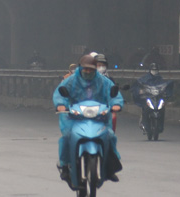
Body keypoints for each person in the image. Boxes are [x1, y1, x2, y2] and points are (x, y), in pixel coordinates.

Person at [53, 54, 123, 183]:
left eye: (91, 69)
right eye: (86, 69)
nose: (88, 72)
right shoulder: (71, 80)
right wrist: (61, 105)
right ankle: (64, 165)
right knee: (67, 137)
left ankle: (110, 167)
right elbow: (59, 93)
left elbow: (114, 94)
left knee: (110, 136)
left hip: (99, 117)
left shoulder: (103, 80)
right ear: (80, 68)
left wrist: (117, 104)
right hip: (74, 117)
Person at [136, 63, 172, 133]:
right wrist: (141, 91)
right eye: (153, 70)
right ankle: (145, 124)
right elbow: (140, 84)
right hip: (148, 97)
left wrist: (166, 92)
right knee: (145, 108)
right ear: (150, 70)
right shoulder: (146, 78)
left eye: (156, 70)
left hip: (158, 98)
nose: (154, 71)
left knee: (162, 109)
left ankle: (161, 126)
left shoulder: (160, 79)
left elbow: (165, 86)